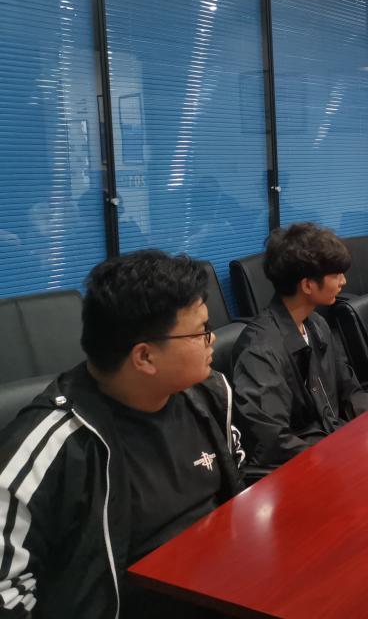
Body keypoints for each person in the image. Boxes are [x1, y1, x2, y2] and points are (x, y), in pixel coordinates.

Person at [0, 250, 245, 618]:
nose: (212, 340)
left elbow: (237, 483)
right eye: (201, 332)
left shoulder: (208, 395)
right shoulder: (53, 445)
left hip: (224, 589)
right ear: (144, 357)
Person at [232, 223, 368, 480]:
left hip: (337, 448)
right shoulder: (260, 350)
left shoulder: (317, 324)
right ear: (307, 285)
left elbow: (350, 388)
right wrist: (336, 456)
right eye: (336, 275)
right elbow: (273, 441)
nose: (344, 281)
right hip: (304, 471)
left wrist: (367, 430)